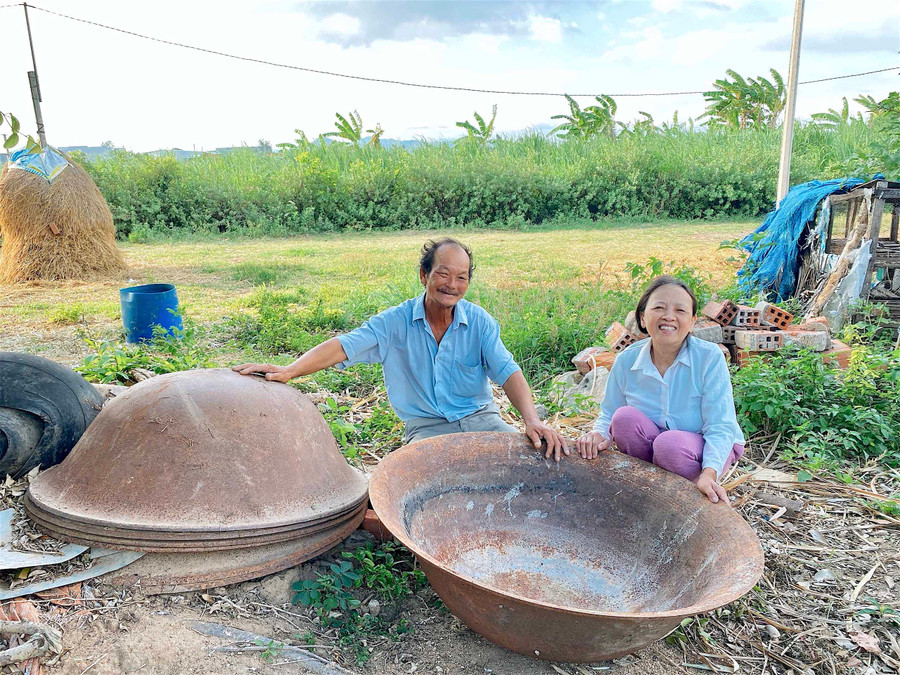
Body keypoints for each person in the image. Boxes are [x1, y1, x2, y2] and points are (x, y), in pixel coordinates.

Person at [233, 238, 569, 460]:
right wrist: (291, 370)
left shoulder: (479, 322)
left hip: (483, 422)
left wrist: (532, 420)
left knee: (536, 463)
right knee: (424, 488)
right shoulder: (394, 323)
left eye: (462, 278)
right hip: (427, 431)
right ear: (424, 275)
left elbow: (508, 371)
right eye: (443, 274)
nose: (452, 285)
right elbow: (343, 347)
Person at [575, 275, 745, 504]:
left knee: (670, 446)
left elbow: (720, 426)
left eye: (680, 310)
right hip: (656, 440)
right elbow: (609, 412)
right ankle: (646, 487)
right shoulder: (627, 360)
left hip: (701, 443)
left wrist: (709, 472)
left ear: (693, 321)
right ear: (643, 318)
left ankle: (689, 495)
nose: (669, 316)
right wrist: (599, 434)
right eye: (659, 307)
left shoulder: (709, 357)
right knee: (624, 419)